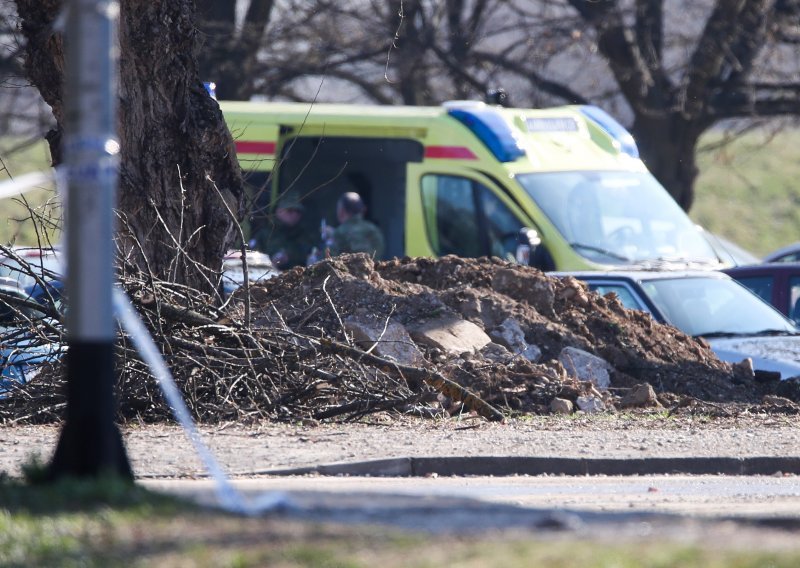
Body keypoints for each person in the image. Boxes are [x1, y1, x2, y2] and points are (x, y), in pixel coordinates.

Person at [252, 190, 316, 269]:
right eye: (290, 211)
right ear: (278, 211)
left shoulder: (305, 235)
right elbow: (252, 260)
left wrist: (290, 257)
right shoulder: (264, 235)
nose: (295, 215)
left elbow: (312, 257)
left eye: (298, 211)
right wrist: (271, 263)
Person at [326, 192, 385, 259]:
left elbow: (329, 257)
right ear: (363, 209)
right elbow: (378, 252)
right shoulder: (374, 229)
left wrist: (330, 238)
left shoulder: (339, 233)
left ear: (341, 211)